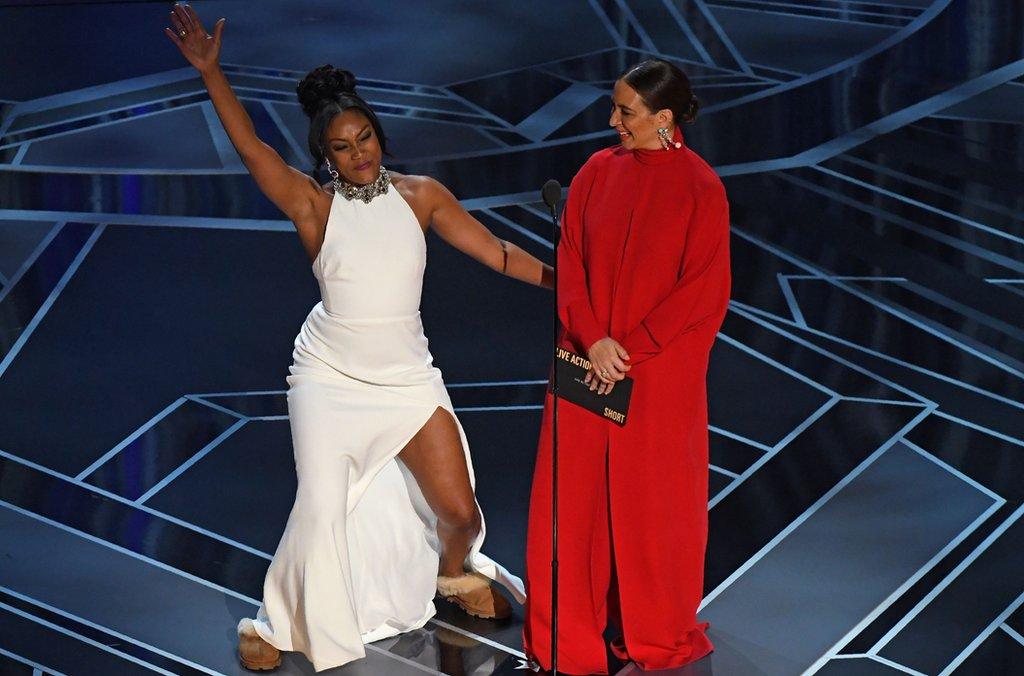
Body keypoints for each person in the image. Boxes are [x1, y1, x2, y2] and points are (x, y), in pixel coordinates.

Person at [164, 4, 551, 672]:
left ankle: (451, 575)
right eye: (342, 147)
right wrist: (212, 75)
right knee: (319, 510)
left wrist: (568, 281)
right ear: (326, 157)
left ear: (378, 132)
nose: (359, 152)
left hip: (406, 377)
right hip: (330, 379)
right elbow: (254, 149)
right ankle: (274, 624)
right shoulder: (313, 207)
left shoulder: (423, 195)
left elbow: (497, 253)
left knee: (458, 513)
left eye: (365, 137)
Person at [522, 58, 731, 674]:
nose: (613, 121)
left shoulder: (701, 188)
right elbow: (572, 261)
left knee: (654, 507)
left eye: (626, 112)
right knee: (571, 503)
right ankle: (567, 640)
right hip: (586, 362)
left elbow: (701, 291)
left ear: (664, 118)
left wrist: (628, 348)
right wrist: (593, 340)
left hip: (657, 372)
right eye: (615, 108)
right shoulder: (594, 172)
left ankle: (655, 629)